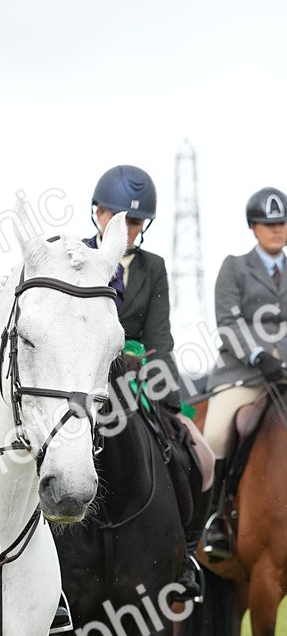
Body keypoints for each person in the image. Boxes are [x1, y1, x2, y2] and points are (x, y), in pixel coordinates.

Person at [86, 165, 207, 602]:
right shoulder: (78, 256)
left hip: (139, 379)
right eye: (117, 217)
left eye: (135, 221)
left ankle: (188, 557)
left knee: (202, 457)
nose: (126, 228)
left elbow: (159, 338)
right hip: (82, 379)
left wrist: (170, 403)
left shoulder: (153, 267)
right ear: (97, 213)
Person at [202, 186, 287, 558]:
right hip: (243, 376)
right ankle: (213, 522)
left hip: (285, 377)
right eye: (268, 224)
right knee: (215, 436)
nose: (276, 230)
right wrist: (257, 355)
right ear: (253, 227)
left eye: (281, 223)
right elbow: (227, 322)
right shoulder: (234, 267)